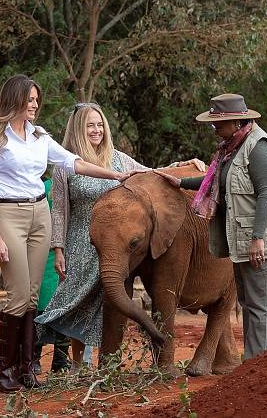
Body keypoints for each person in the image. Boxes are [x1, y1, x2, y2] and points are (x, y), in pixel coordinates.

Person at [0, 74, 140, 392]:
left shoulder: (40, 137)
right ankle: (6, 370)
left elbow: (73, 163)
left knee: (34, 296)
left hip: (40, 213)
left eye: (37, 100)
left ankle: (26, 368)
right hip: (8, 212)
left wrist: (117, 174)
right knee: (18, 294)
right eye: (30, 100)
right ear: (14, 100)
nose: (35, 105)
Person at [35, 102, 205, 368]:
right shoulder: (65, 164)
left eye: (100, 124)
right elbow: (59, 211)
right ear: (78, 129)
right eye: (89, 125)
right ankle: (78, 365)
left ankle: (106, 363)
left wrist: (182, 165)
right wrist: (59, 248)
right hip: (82, 244)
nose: (96, 130)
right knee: (80, 304)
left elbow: (150, 173)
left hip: (118, 246)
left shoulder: (118, 159)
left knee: (110, 306)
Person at [159, 93, 267, 360]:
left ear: (236, 122)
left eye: (218, 123)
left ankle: (260, 366)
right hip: (241, 239)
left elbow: (266, 193)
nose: (214, 128)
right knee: (250, 303)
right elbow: (219, 181)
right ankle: (254, 364)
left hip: (261, 241)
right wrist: (182, 183)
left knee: (261, 306)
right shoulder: (231, 148)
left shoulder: (258, 147)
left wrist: (257, 238)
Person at [31, 172, 71, 375]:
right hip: (43, 254)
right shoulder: (43, 187)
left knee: (60, 306)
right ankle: (35, 358)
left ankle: (60, 360)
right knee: (42, 305)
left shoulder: (52, 187)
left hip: (60, 252)